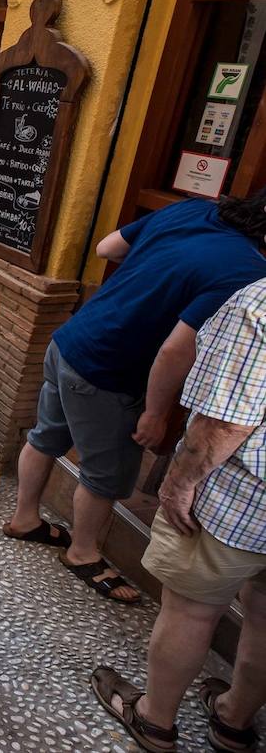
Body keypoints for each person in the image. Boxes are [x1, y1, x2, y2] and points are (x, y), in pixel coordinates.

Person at [3, 190, 266, 604]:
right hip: (109, 373)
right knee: (105, 475)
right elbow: (174, 351)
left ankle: (24, 518)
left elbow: (107, 247)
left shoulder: (196, 208)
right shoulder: (248, 272)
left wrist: (155, 277)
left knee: (45, 436)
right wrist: (157, 414)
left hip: (71, 341)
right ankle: (83, 554)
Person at [91, 278, 266, 753]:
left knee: (192, 610)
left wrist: (180, 481)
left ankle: (154, 720)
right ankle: (233, 720)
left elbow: (227, 420)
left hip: (240, 500)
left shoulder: (259, 302)